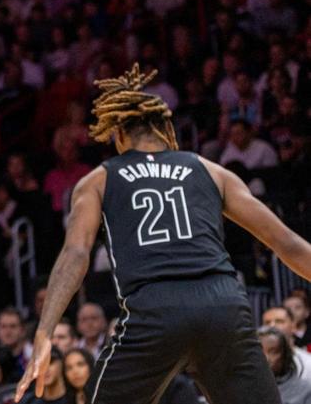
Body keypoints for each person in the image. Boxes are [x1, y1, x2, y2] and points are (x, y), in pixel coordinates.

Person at [19, 64, 311, 404]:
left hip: (155, 311)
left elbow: (76, 254)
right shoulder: (212, 171)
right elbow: (285, 242)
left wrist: (44, 331)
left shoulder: (98, 179)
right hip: (222, 305)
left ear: (120, 134)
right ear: (164, 128)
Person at [260, 327, 311, 404]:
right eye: (260, 352)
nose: (266, 358)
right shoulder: (244, 388)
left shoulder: (305, 390)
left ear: (285, 355)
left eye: (273, 352)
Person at [261, 306, 311, 374]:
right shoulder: (256, 361)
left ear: (293, 326)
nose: (272, 326)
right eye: (267, 322)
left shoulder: (308, 362)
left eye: (279, 321)